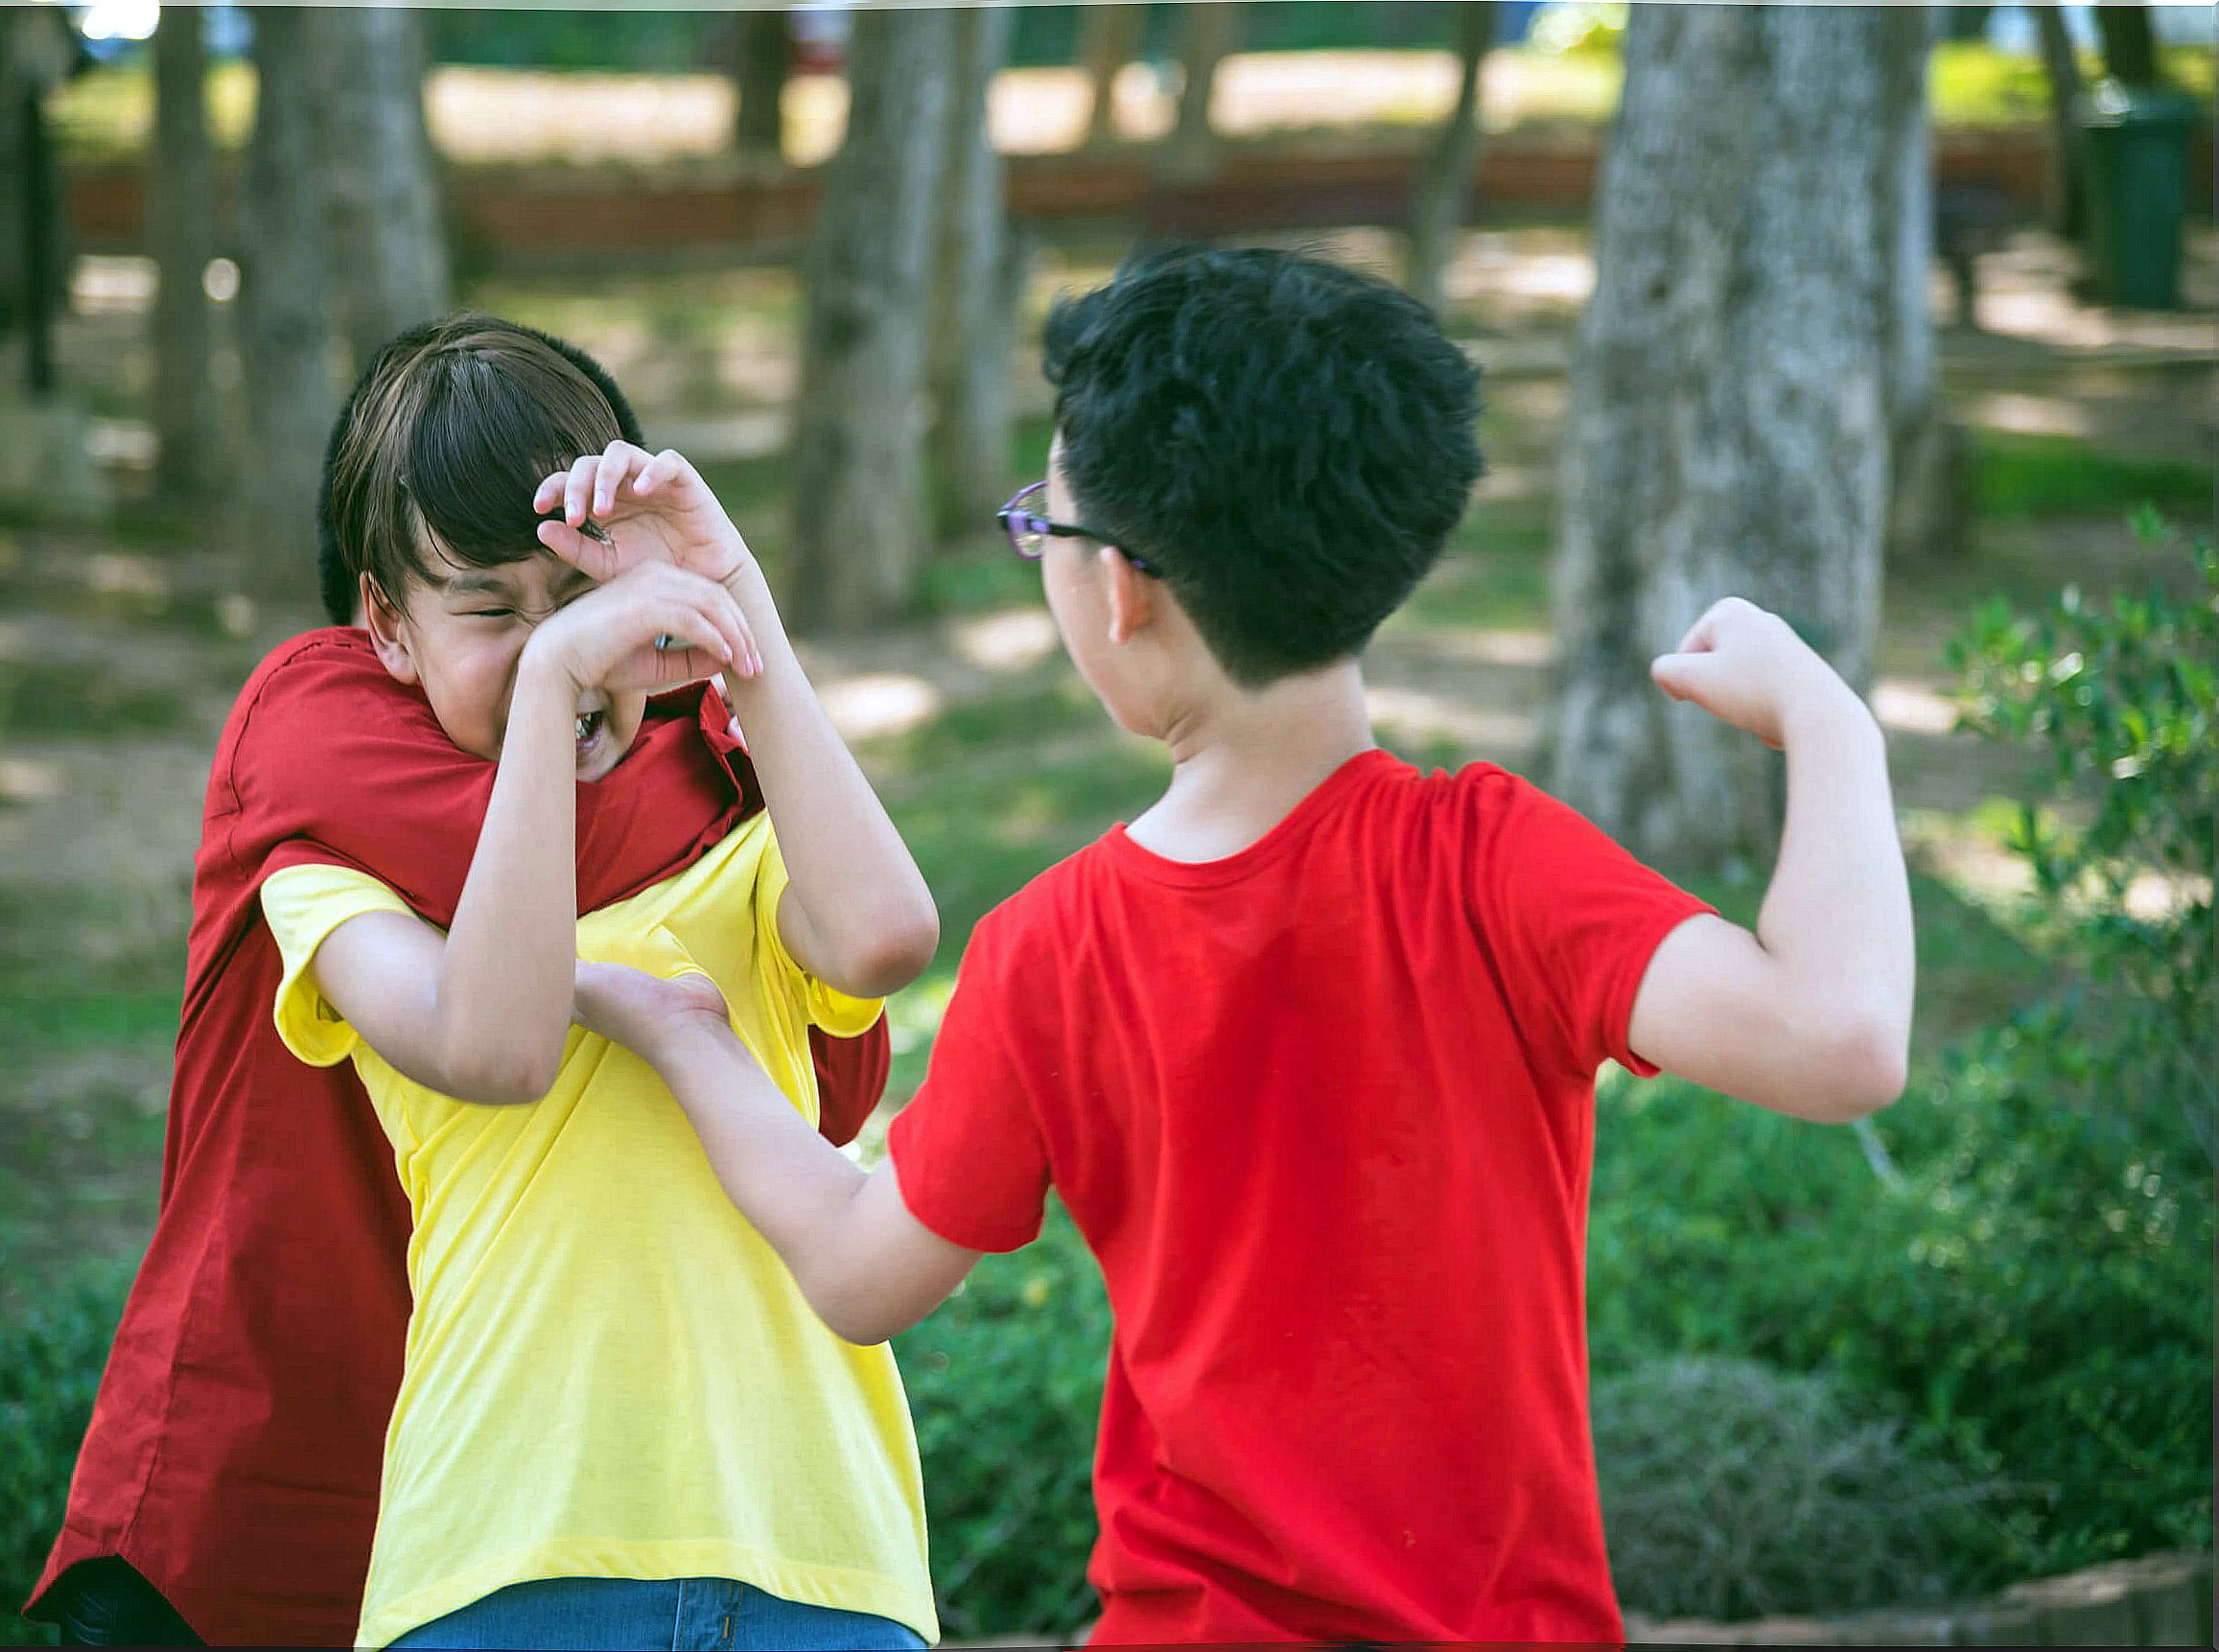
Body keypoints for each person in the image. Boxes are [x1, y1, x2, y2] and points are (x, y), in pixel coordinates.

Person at [570, 245, 1916, 1644]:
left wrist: (688, 1039)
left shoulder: (1056, 948)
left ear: (1124, 592)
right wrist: (1832, 724)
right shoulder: (1494, 865)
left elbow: (861, 1268)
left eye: (1047, 523)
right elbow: (1841, 1036)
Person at [29, 318, 893, 1647]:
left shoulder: (730, 775)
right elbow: (539, 926)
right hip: (274, 1472)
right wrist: (656, 704)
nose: (562, 644)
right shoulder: (318, 732)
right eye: (485, 605)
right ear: (383, 619)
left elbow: (877, 947)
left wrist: (734, 634)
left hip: (668, 1504)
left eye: (579, 591)